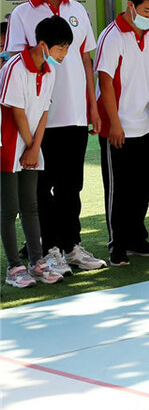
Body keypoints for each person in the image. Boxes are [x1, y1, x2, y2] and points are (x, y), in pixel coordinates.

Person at [3, 0, 107, 274]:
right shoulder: (22, 14)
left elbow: (86, 59)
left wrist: (93, 107)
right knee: (41, 189)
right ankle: (48, 250)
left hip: (75, 114)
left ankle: (72, 245)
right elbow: (19, 64)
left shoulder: (77, 11)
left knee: (71, 187)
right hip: (39, 121)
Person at [95, 0, 149, 266]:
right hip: (118, 127)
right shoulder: (111, 36)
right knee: (118, 188)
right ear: (131, 5)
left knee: (145, 182)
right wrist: (114, 123)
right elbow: (105, 80)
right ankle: (117, 244)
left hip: (145, 125)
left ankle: (137, 237)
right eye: (146, 10)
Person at [1, 16, 70, 287]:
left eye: (66, 48)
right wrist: (29, 147)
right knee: (8, 210)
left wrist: (34, 148)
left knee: (30, 205)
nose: (64, 54)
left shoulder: (50, 72)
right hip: (7, 144)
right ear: (43, 45)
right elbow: (16, 111)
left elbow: (43, 111)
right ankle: (13, 268)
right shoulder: (15, 68)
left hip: (31, 145)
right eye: (60, 48)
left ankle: (37, 262)